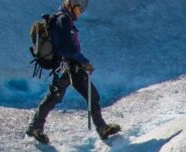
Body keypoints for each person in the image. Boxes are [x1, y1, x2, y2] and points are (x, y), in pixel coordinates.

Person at [25, 0, 122, 144]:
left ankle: (101, 128)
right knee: (58, 96)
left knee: (87, 95)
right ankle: (35, 126)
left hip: (70, 66)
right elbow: (68, 49)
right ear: (71, 5)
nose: (81, 11)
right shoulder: (63, 20)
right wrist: (85, 62)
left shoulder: (65, 19)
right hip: (65, 66)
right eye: (80, 8)